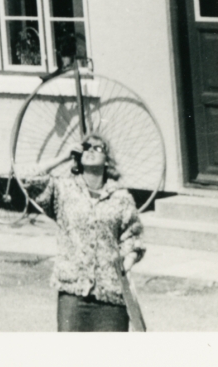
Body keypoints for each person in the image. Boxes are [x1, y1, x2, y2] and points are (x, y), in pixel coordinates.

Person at [23, 135, 145, 331]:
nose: (90, 150)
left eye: (98, 148)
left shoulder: (121, 197)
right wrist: (64, 156)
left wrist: (126, 262)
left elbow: (134, 237)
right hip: (73, 294)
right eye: (86, 147)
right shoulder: (63, 191)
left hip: (111, 295)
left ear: (108, 160)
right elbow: (28, 178)